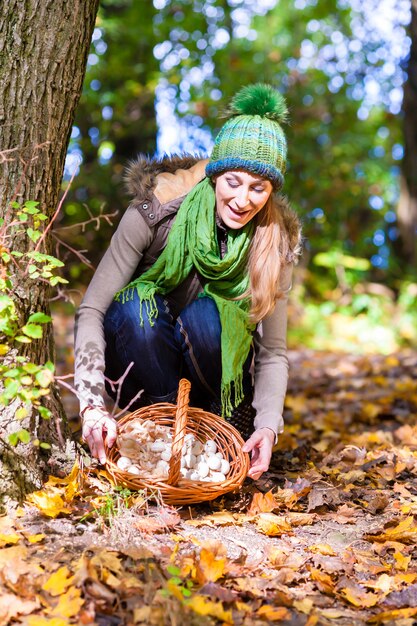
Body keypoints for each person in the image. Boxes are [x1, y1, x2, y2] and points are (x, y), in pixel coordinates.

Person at [74, 83, 301, 480]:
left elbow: (272, 353)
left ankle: (216, 426)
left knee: (209, 317)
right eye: (234, 181)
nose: (243, 199)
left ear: (270, 190)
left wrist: (268, 425)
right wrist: (92, 404)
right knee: (132, 307)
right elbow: (92, 309)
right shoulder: (154, 212)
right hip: (144, 365)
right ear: (215, 175)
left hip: (212, 380)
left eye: (258, 188)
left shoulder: (273, 243)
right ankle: (165, 432)